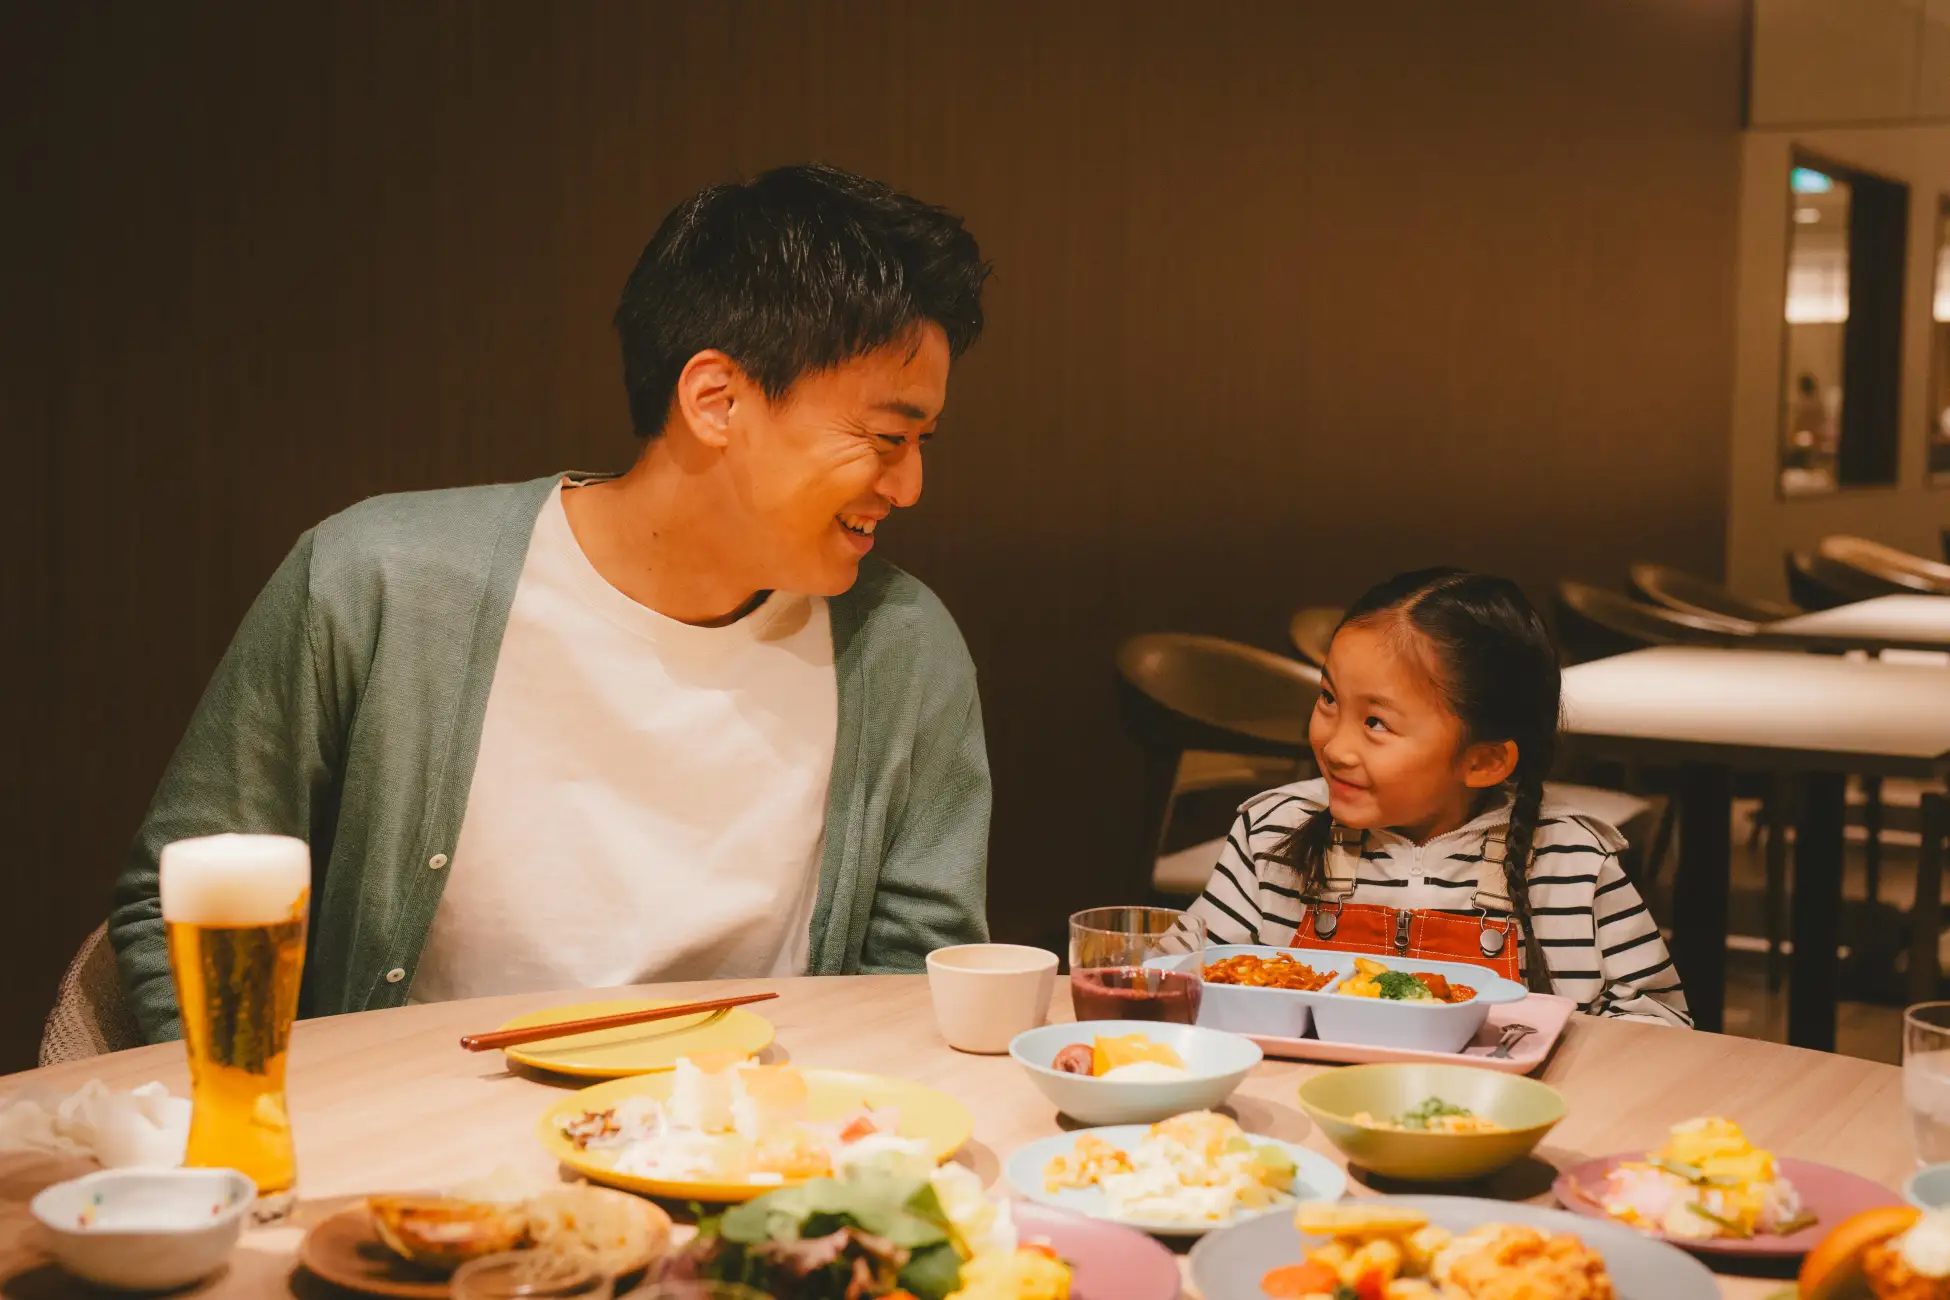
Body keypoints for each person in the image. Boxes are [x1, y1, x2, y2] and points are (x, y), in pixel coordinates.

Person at [109, 164, 994, 1043]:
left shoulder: (902, 647)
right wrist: (252, 1114)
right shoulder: (383, 581)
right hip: (410, 1125)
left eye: (923, 441)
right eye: (887, 438)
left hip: (759, 1125)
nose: (909, 485)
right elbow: (177, 905)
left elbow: (911, 981)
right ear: (716, 400)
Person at [1190, 568, 1690, 1026]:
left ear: (1483, 761)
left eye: (1375, 723)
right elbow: (1186, 983)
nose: (1335, 747)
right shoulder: (1271, 833)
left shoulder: (1570, 863)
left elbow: (1661, 1024)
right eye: (1328, 698)